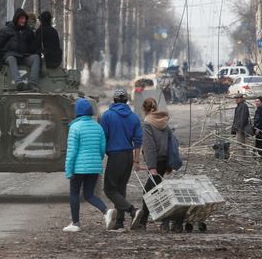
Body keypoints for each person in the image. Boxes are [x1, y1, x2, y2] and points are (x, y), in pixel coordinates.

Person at [99, 87, 144, 230]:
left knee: (109, 189)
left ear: (114, 100)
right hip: (128, 156)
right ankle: (119, 222)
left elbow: (103, 137)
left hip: (115, 155)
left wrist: (101, 154)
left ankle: (132, 210)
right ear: (126, 100)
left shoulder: (107, 116)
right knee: (120, 187)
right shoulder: (134, 117)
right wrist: (136, 160)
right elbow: (138, 140)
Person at [62, 98, 108, 232]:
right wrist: (95, 162)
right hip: (94, 167)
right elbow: (102, 149)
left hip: (78, 167)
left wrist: (69, 170)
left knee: (74, 194)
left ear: (77, 112)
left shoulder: (75, 127)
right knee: (89, 195)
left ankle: (75, 223)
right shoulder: (98, 127)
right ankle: (106, 211)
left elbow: (72, 152)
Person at [139, 97, 182, 232]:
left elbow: (149, 147)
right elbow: (172, 143)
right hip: (164, 162)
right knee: (150, 191)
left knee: (155, 193)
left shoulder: (147, 124)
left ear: (144, 109)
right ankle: (142, 221)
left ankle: (167, 221)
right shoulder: (164, 122)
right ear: (155, 108)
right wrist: (170, 163)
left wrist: (151, 167)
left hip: (155, 163)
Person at [0, 8, 41, 90]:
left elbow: (33, 47)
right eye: (21, 18)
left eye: (25, 18)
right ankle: (18, 82)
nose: (24, 21)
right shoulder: (6, 30)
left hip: (23, 56)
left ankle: (32, 83)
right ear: (16, 18)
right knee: (11, 59)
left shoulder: (28, 31)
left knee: (35, 58)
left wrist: (39, 51)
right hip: (9, 55)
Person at [230, 94, 253, 160]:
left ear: (241, 98)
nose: (236, 100)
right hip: (238, 128)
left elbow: (243, 118)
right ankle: (241, 157)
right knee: (240, 143)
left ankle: (241, 158)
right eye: (236, 98)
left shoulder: (243, 106)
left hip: (240, 128)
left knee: (240, 143)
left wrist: (240, 127)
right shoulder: (238, 106)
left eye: (237, 98)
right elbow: (236, 119)